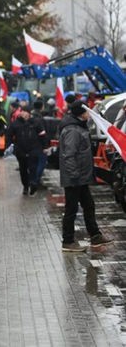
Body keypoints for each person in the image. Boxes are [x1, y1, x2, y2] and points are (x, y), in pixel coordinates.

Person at [59, 100, 113, 251]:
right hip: (74, 178)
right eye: (87, 111)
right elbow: (69, 155)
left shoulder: (79, 126)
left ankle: (95, 235)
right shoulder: (72, 130)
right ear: (81, 113)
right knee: (71, 209)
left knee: (89, 205)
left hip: (80, 177)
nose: (89, 113)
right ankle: (68, 241)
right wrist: (74, 175)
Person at [6, 104, 47, 196]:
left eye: (25, 112)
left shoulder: (35, 122)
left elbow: (42, 135)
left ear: (29, 113)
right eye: (22, 111)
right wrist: (10, 145)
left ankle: (33, 183)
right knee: (23, 169)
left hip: (34, 149)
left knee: (33, 167)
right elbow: (9, 135)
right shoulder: (15, 124)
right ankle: (25, 186)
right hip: (20, 150)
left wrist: (44, 147)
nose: (23, 114)